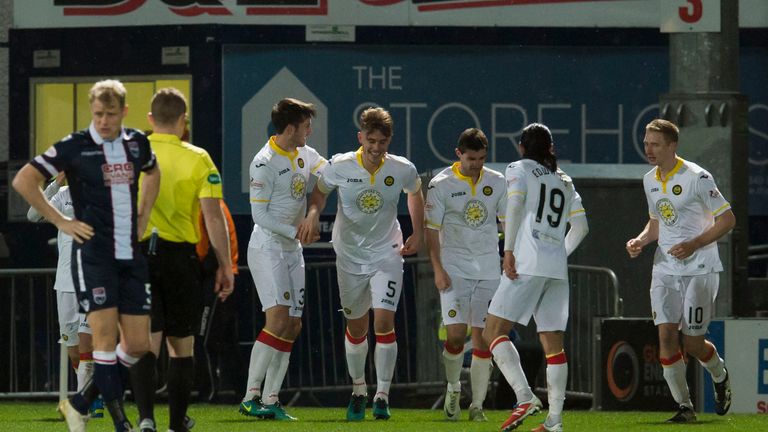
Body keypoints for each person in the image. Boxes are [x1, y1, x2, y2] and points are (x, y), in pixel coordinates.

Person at [13, 79, 161, 432]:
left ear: (124, 112)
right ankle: (118, 423)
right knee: (103, 343)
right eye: (98, 114)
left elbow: (153, 172)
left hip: (130, 254)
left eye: (111, 114)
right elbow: (23, 180)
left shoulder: (138, 143)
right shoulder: (75, 145)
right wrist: (62, 221)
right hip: (93, 256)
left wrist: (143, 215)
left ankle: (79, 403)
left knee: (138, 344)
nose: (104, 121)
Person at [300, 107, 425, 421]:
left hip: (388, 253)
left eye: (382, 141)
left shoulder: (402, 168)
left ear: (389, 140)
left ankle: (382, 395)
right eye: (371, 140)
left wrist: (418, 231)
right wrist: (313, 214)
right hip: (351, 256)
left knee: (383, 323)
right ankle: (359, 390)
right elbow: (319, 193)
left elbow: (414, 193)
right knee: (356, 329)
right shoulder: (340, 165)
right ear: (360, 137)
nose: (376, 147)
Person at [625, 119, 734, 422]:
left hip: (700, 268)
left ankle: (719, 374)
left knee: (693, 343)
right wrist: (641, 240)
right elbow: (657, 221)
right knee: (666, 338)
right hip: (664, 268)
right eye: (646, 143)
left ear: (672, 146)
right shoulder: (649, 179)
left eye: (655, 144)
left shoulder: (697, 177)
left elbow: (727, 220)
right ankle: (685, 407)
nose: (649, 149)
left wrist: (695, 243)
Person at [483, 123, 588, 432]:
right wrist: (557, 255)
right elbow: (581, 228)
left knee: (492, 332)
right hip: (555, 268)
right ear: (550, 149)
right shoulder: (564, 180)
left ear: (521, 147)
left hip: (526, 263)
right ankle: (554, 421)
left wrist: (509, 250)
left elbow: (514, 204)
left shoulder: (519, 168)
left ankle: (525, 397)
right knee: (553, 343)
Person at [142, 87, 234, 432]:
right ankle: (177, 423)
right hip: (181, 258)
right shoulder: (199, 158)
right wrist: (225, 265)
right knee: (182, 346)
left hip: (141, 256)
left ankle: (146, 419)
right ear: (183, 121)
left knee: (146, 344)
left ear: (150, 119)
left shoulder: (135, 153)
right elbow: (214, 218)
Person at [239, 98, 327, 421]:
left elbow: (328, 174)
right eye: (306, 125)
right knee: (276, 321)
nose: (310, 130)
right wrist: (297, 231)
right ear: (291, 128)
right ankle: (250, 396)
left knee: (292, 325)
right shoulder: (263, 162)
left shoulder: (305, 153)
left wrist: (313, 214)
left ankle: (272, 398)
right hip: (267, 248)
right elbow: (258, 215)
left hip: (292, 251)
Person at [424, 128, 506, 422]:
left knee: (484, 340)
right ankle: (453, 387)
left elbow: (507, 223)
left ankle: (478, 406)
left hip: (487, 270)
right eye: (471, 158)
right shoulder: (440, 184)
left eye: (482, 158)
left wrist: (509, 258)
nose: (476, 164)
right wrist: (438, 269)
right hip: (454, 268)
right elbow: (431, 230)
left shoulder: (498, 182)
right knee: (457, 337)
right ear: (458, 154)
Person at [27, 173, 103, 418]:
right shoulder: (62, 195)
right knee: (73, 350)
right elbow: (33, 215)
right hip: (65, 282)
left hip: (91, 280)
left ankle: (86, 406)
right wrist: (56, 182)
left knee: (86, 343)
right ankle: (90, 396)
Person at [194, 199, 242, 402]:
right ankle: (244, 391)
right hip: (216, 275)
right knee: (226, 339)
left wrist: (219, 270)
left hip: (218, 277)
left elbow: (218, 242)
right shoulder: (207, 205)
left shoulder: (214, 206)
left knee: (204, 338)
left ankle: (209, 391)